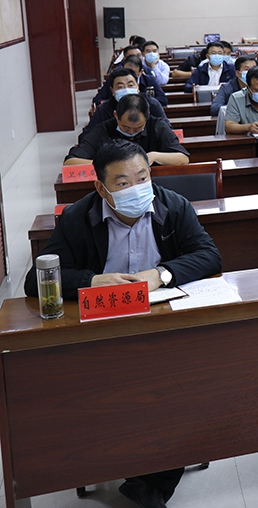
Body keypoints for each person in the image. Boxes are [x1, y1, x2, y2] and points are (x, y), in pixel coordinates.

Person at [27, 139, 219, 508]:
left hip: (163, 326)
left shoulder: (172, 206)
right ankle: (142, 478)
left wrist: (161, 275)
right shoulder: (78, 218)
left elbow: (209, 255)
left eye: (143, 178)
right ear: (101, 188)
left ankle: (147, 483)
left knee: (181, 387)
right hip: (103, 331)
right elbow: (35, 281)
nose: (137, 189)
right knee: (113, 395)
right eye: (123, 183)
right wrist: (91, 280)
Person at [66, 94, 189, 167]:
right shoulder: (103, 130)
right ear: (116, 116)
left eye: (138, 128)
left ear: (146, 118)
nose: (131, 132)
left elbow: (183, 158)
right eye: (126, 127)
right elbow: (70, 162)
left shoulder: (157, 126)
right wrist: (110, 165)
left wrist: (154, 156)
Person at [83, 68, 169, 140]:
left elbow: (168, 131)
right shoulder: (103, 110)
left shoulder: (152, 104)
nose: (126, 89)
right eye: (120, 87)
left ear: (137, 87)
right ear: (112, 90)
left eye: (130, 85)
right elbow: (86, 137)